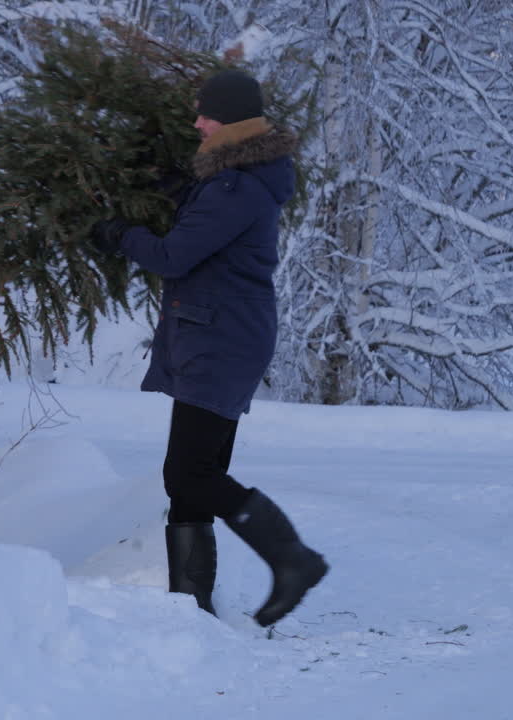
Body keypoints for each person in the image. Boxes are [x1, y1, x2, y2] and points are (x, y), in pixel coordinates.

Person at [91, 69, 327, 626]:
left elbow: (174, 256)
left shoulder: (236, 187)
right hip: (222, 334)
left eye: (206, 114)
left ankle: (292, 560)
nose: (196, 121)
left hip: (221, 339)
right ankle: (191, 608)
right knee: (196, 475)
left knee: (189, 473)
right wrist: (181, 188)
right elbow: (207, 227)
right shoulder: (236, 179)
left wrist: (118, 234)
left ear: (233, 123)